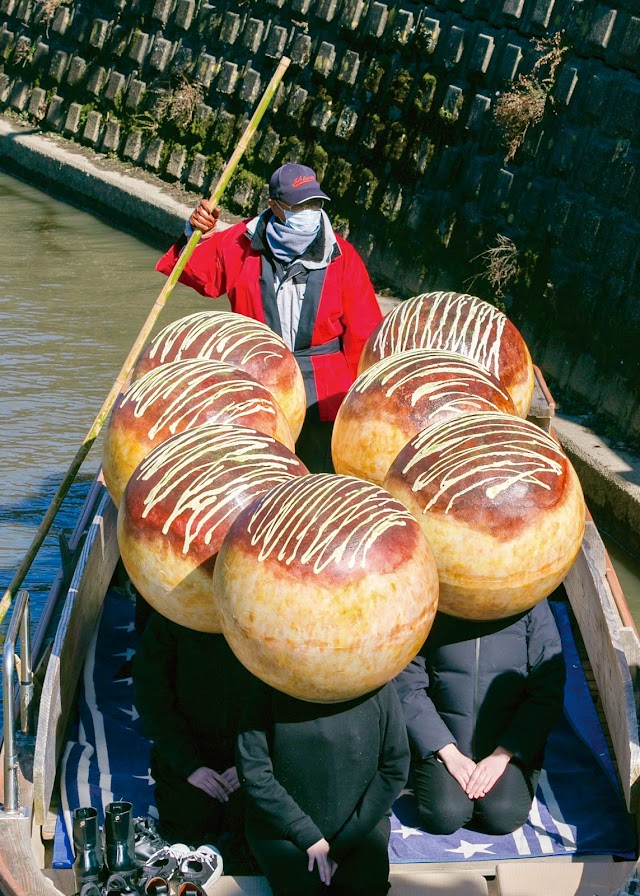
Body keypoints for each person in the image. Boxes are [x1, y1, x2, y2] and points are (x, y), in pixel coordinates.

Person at [156, 162, 383, 472]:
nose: (309, 211)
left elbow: (365, 334)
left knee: (317, 477)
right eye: (298, 205)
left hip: (324, 392)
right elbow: (197, 272)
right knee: (260, 472)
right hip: (258, 380)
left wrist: (366, 400)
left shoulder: (341, 255)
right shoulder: (241, 242)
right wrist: (195, 235)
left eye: (314, 203)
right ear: (274, 206)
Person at [393, 599, 566, 836]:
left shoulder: (530, 600)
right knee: (445, 815)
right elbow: (407, 685)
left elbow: (547, 691)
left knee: (502, 815)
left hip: (506, 740)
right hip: (443, 739)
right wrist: (446, 751)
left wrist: (503, 754)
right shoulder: (430, 597)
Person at [236, 675, 410, 895]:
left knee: (364, 887)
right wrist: (305, 834)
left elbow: (394, 769)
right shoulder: (268, 684)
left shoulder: (377, 684)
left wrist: (344, 844)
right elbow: (254, 772)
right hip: (282, 825)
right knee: (303, 889)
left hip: (358, 825)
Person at [133, 608, 252, 851]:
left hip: (250, 756)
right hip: (190, 752)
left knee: (251, 832)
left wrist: (250, 764)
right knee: (188, 833)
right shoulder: (174, 613)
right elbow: (153, 698)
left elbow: (280, 702)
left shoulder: (263, 616)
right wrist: (191, 766)